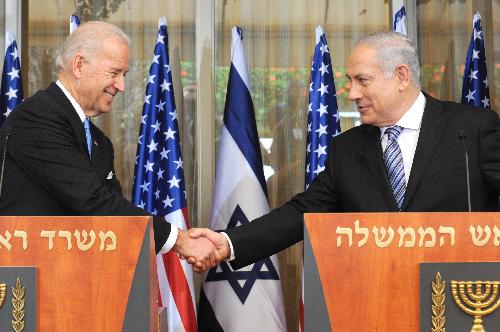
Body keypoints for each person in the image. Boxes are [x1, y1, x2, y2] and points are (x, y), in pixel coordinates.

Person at [187, 31, 500, 272]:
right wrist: (227, 243)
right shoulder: (347, 149)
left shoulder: (471, 130)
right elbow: (302, 212)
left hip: (463, 294)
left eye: (362, 80)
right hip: (374, 296)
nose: (352, 93)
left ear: (402, 76)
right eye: (350, 81)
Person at [0, 21, 217, 264]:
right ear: (79, 65)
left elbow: (111, 217)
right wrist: (179, 240)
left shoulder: (100, 142)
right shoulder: (37, 117)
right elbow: (91, 201)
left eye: (124, 75)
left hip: (85, 282)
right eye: (114, 73)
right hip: (30, 283)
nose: (121, 86)